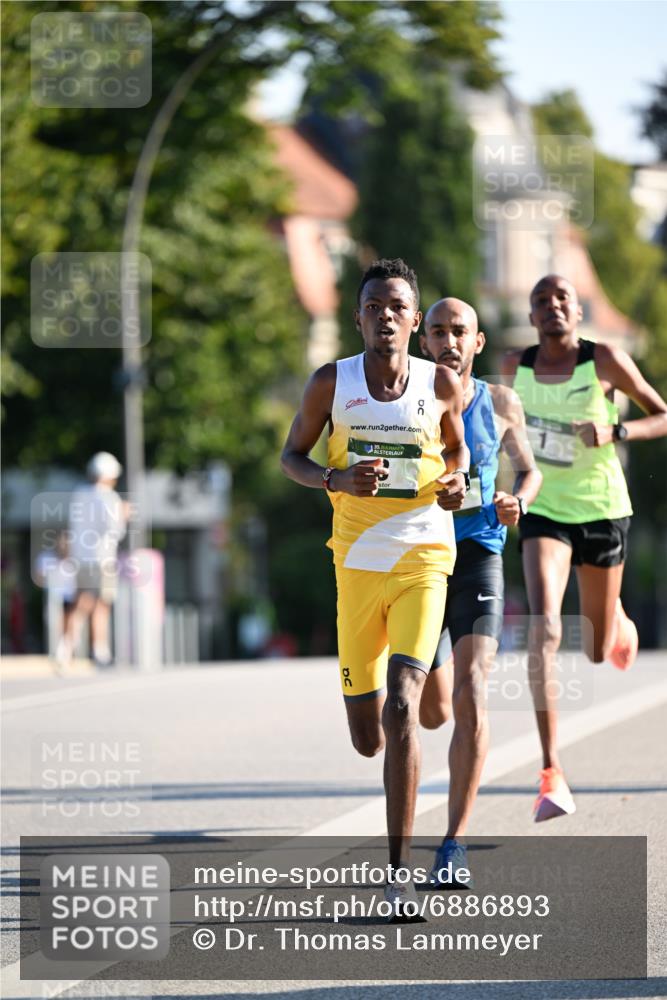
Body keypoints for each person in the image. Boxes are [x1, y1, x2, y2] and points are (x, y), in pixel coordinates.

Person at [281, 258, 469, 918]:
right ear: (357, 318)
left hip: (424, 556)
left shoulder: (439, 381)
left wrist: (456, 482)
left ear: (413, 320)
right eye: (373, 307)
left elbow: (457, 453)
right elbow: (291, 457)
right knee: (368, 736)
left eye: (396, 307)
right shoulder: (331, 382)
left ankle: (397, 876)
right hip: (356, 565)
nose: (384, 316)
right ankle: (397, 711)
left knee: (402, 707)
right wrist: (334, 480)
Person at [502, 274, 667, 821]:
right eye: (541, 301)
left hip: (602, 509)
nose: (552, 306)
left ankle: (614, 616)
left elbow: (662, 414)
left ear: (578, 311)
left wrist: (616, 432)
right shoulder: (515, 367)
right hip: (543, 509)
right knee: (545, 628)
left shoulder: (606, 361)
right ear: (531, 316)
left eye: (562, 299)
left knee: (596, 649)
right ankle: (551, 770)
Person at [419, 297, 542, 880]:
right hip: (419, 560)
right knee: (433, 711)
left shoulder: (501, 402)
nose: (448, 340)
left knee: (472, 692)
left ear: (477, 341)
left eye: (458, 331)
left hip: (479, 557)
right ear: (423, 341)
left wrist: (520, 500)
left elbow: (530, 470)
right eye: (438, 331)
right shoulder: (408, 399)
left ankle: (454, 843)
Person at [56, 452, 129, 669]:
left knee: (81, 602)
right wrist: (123, 515)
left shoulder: (79, 494)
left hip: (81, 557)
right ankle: (98, 651)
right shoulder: (109, 497)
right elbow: (115, 530)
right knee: (99, 605)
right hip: (102, 558)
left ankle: (67, 646)